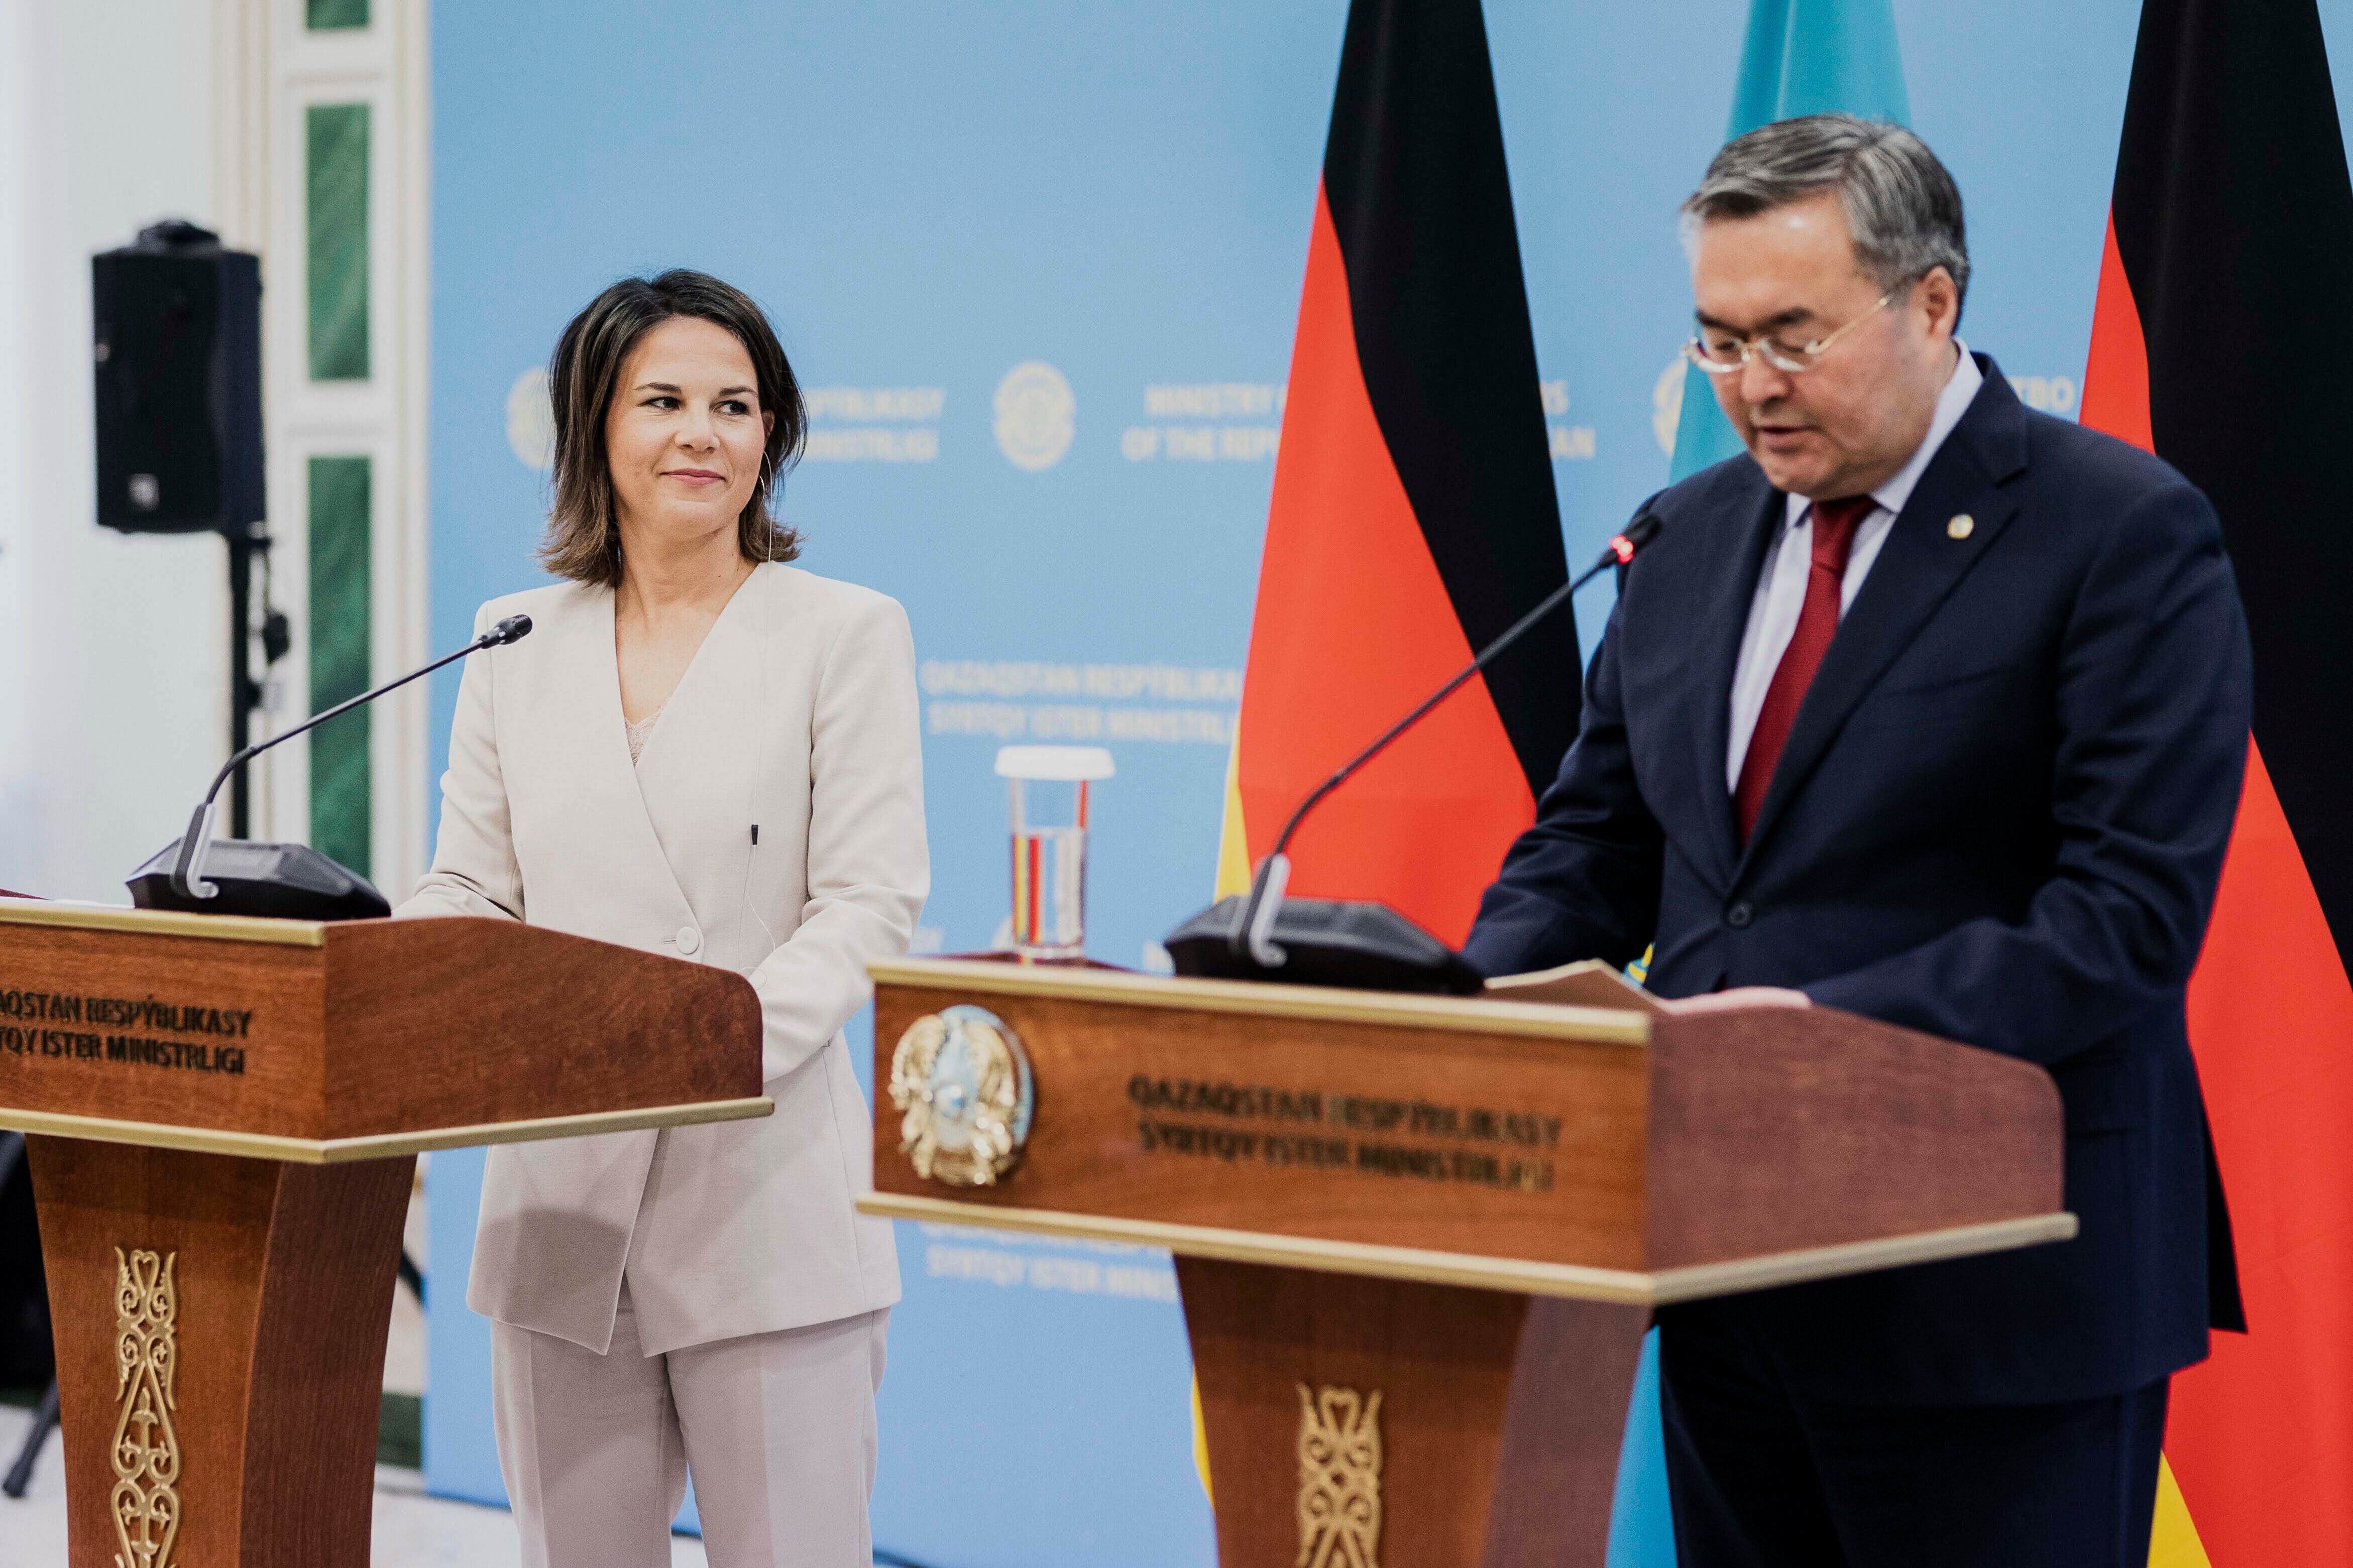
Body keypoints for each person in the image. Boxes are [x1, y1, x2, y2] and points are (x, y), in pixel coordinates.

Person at [1464, 116, 2249, 1568]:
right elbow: (1596, 844)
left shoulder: (2119, 531)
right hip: (1725, 1275)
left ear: (1932, 302)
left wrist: (1807, 1036)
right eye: (1716, 341)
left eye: (1790, 336)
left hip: (1999, 1301)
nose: (1751, 389)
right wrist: (1459, 1011)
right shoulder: (1685, 535)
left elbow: (2126, 917)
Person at [397, 269, 925, 1567]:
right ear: (596, 430)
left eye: (737, 406)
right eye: (667, 400)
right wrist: (400, 991)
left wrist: (707, 1038)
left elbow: (870, 903)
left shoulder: (842, 632)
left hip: (760, 1199)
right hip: (559, 1212)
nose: (704, 432)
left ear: (771, 440)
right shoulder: (512, 638)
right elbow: (466, 891)